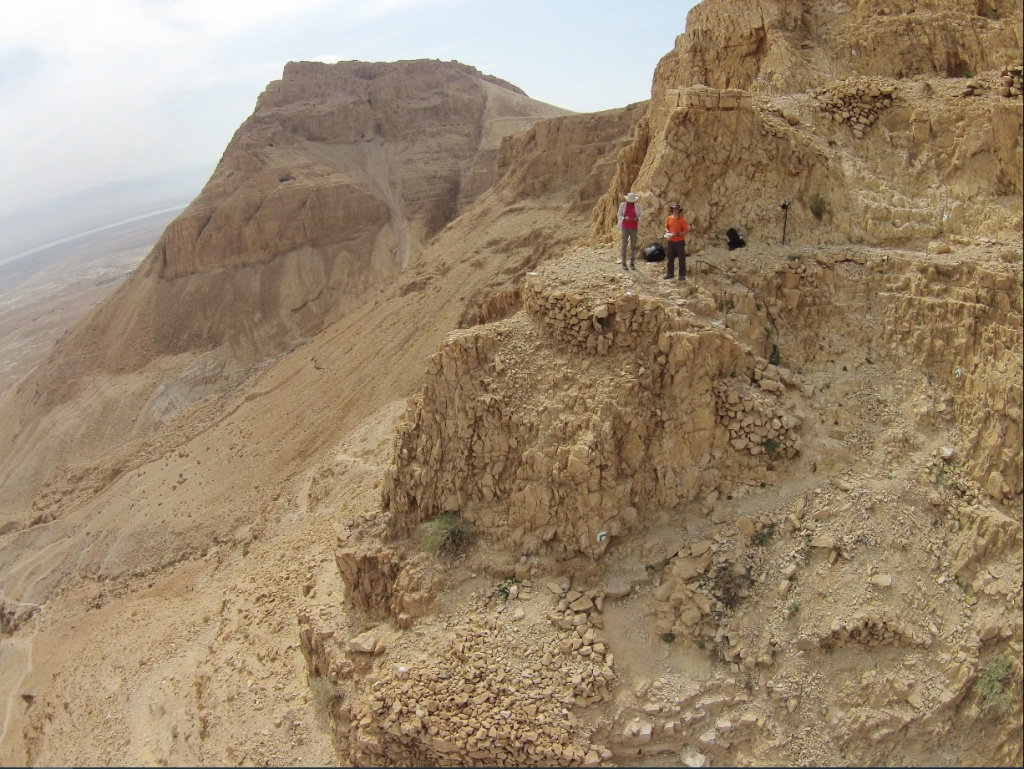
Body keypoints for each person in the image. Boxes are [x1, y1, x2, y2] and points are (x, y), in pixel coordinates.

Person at [663, 202, 689, 280]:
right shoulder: (669, 218)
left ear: (678, 210)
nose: (675, 210)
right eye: (674, 209)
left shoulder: (682, 220)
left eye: (676, 209)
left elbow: (686, 230)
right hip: (671, 240)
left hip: (679, 241)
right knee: (670, 257)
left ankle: (682, 275)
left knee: (681, 258)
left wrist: (678, 234)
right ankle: (670, 273)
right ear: (672, 210)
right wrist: (667, 232)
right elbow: (666, 227)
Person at [617, 192, 642, 270]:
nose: (631, 202)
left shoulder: (637, 206)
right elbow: (619, 215)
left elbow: (640, 215)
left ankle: (632, 263)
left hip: (634, 227)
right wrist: (624, 218)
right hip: (625, 227)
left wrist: (637, 219)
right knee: (624, 245)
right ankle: (623, 262)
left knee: (633, 245)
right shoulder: (623, 205)